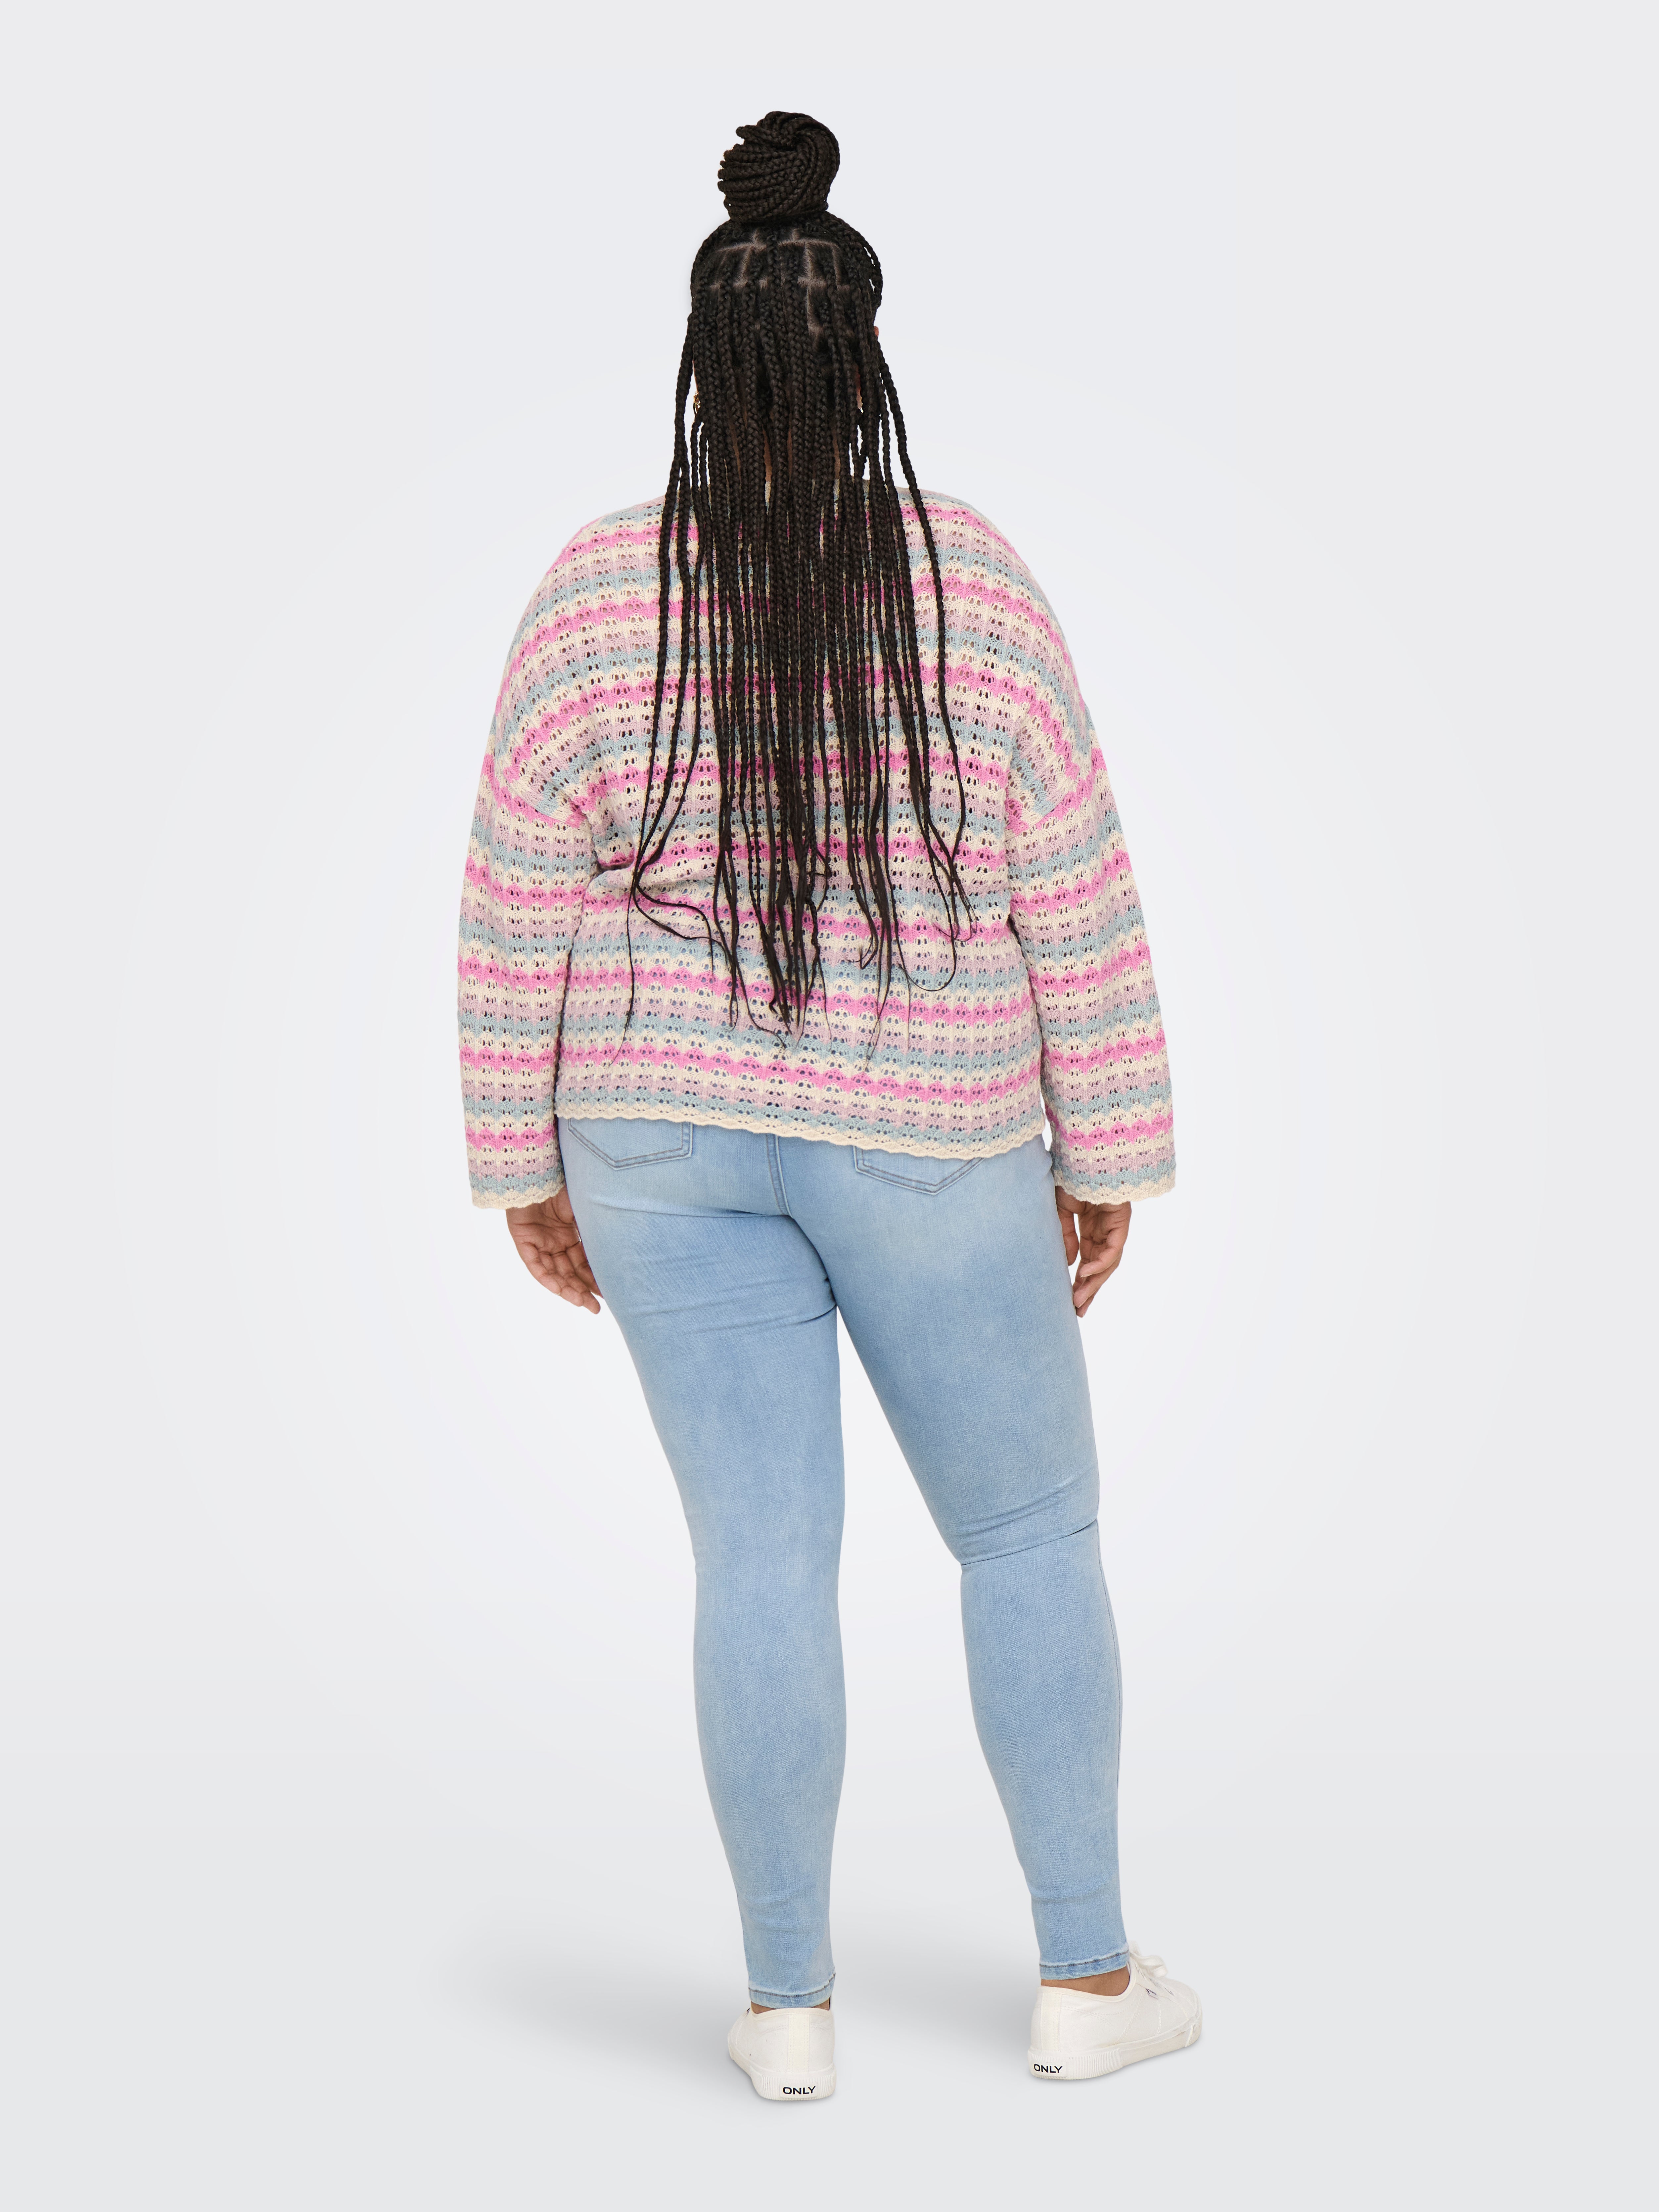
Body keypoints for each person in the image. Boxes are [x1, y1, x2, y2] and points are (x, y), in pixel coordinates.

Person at [457, 111, 1200, 2100]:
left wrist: (521, 1166)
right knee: (1026, 1536)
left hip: (653, 1140)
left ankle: (788, 2009)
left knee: (759, 1565)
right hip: (931, 1128)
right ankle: (1086, 1980)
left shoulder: (597, 586)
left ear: (699, 367)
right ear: (867, 357)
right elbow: (1073, 880)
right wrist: (1111, 1149)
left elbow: (515, 891)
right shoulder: (970, 577)